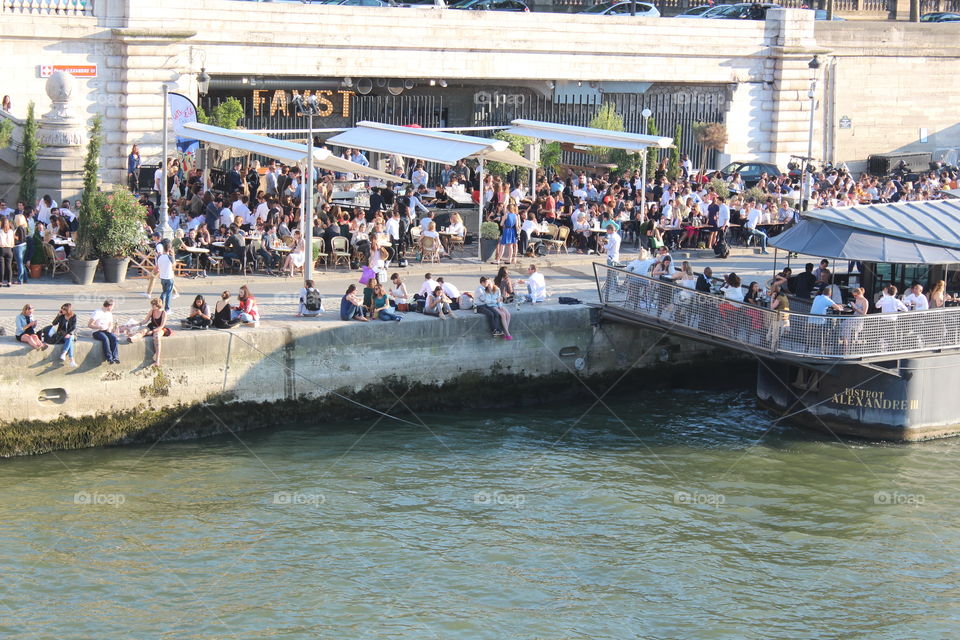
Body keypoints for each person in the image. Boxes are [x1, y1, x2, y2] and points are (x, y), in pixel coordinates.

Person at [128, 298, 169, 365]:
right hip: (152, 326)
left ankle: (157, 359)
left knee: (156, 337)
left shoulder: (164, 313)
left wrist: (153, 331)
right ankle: (133, 338)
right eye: (152, 304)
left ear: (157, 305)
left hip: (160, 328)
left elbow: (161, 326)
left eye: (153, 305)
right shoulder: (152, 311)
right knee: (143, 331)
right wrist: (138, 324)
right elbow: (145, 320)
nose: (152, 306)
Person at [87, 299, 120, 364]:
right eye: (113, 306)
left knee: (114, 338)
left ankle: (115, 357)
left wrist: (110, 328)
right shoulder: (97, 312)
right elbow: (89, 325)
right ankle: (109, 358)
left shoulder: (109, 313)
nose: (113, 308)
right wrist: (99, 327)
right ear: (109, 306)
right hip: (97, 331)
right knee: (105, 339)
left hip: (106, 330)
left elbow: (111, 323)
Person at [156, 239, 176, 312]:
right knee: (168, 293)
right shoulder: (170, 257)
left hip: (162, 277)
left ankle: (159, 306)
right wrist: (173, 254)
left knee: (164, 292)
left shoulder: (159, 256)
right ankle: (167, 309)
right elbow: (174, 265)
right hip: (169, 277)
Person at [12, 214, 29, 284]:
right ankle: (25, 278)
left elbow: (20, 239)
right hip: (22, 246)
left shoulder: (20, 227)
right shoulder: (23, 227)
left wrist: (12, 234)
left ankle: (20, 280)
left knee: (19, 264)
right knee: (21, 263)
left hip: (19, 246)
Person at [0, 215, 14, 286]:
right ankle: (9, 282)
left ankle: (1, 282)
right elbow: (12, 242)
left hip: (2, 249)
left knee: (1, 267)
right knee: (9, 266)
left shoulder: (0, 231)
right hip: (9, 249)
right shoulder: (11, 231)